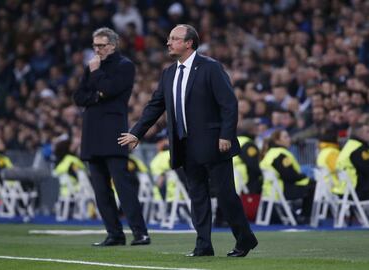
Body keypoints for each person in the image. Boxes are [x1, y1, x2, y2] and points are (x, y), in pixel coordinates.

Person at [118, 24, 257, 257]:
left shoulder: (210, 67)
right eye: (169, 38)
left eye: (174, 38)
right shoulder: (169, 73)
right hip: (184, 144)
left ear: (188, 43)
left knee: (225, 194)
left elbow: (229, 104)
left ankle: (244, 239)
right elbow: (155, 106)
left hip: (214, 143)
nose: (168, 42)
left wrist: (226, 135)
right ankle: (203, 245)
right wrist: (137, 132)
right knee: (198, 195)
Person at [73, 27, 149, 247]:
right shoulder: (93, 66)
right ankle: (114, 233)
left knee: (123, 186)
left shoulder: (125, 66)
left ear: (113, 45)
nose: (97, 49)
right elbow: (78, 96)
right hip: (91, 133)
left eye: (101, 45)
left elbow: (110, 88)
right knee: (100, 189)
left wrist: (96, 78)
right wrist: (98, 95)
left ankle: (140, 233)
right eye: (95, 45)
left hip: (113, 133)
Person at [260, 129, 315, 223]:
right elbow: (289, 175)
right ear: (277, 141)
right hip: (282, 190)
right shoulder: (281, 154)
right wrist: (303, 176)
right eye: (285, 137)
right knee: (313, 185)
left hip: (270, 190)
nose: (289, 139)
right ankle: (305, 217)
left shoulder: (271, 153)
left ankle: (300, 216)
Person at [336, 117, 369, 200]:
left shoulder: (350, 146)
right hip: (356, 192)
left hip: (345, 190)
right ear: (360, 134)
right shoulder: (358, 150)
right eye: (368, 132)